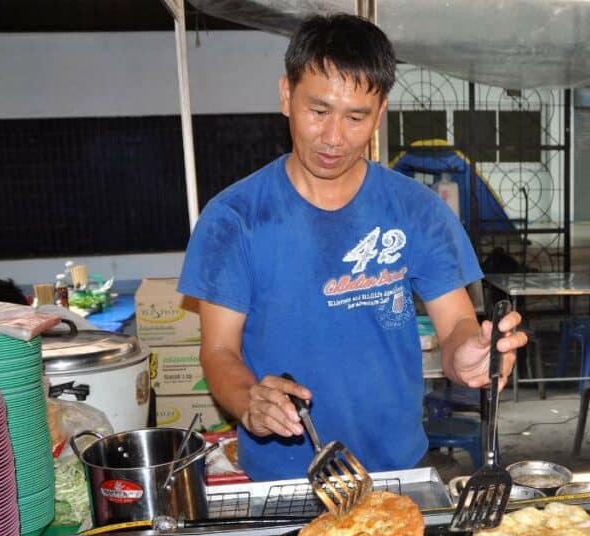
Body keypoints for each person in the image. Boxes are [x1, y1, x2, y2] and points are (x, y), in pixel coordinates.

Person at [177, 13, 526, 482]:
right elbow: (219, 352)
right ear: (286, 96)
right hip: (283, 477)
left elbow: (457, 324)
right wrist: (248, 402)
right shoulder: (233, 220)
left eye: (356, 117)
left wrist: (468, 355)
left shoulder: (417, 211)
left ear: (379, 115)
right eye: (318, 111)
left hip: (396, 473)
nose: (334, 138)